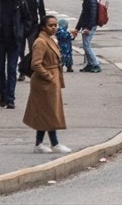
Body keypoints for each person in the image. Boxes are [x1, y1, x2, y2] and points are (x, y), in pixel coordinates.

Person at [24, 15, 71, 153]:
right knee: (49, 113)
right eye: (51, 25)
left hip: (50, 81)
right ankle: (53, 143)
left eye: (55, 25)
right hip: (44, 83)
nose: (54, 27)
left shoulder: (49, 39)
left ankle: (40, 144)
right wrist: (49, 77)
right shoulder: (41, 42)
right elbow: (36, 64)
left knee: (46, 113)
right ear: (43, 27)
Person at [19, 0, 47, 79]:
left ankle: (30, 70)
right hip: (21, 27)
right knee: (20, 51)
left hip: (34, 27)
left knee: (33, 50)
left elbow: (42, 12)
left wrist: (43, 26)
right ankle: (22, 70)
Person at [76, 0, 103, 72]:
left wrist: (88, 28)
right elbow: (83, 15)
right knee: (85, 45)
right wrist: (77, 28)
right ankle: (90, 64)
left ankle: (95, 64)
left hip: (90, 25)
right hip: (87, 25)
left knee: (86, 45)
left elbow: (92, 15)